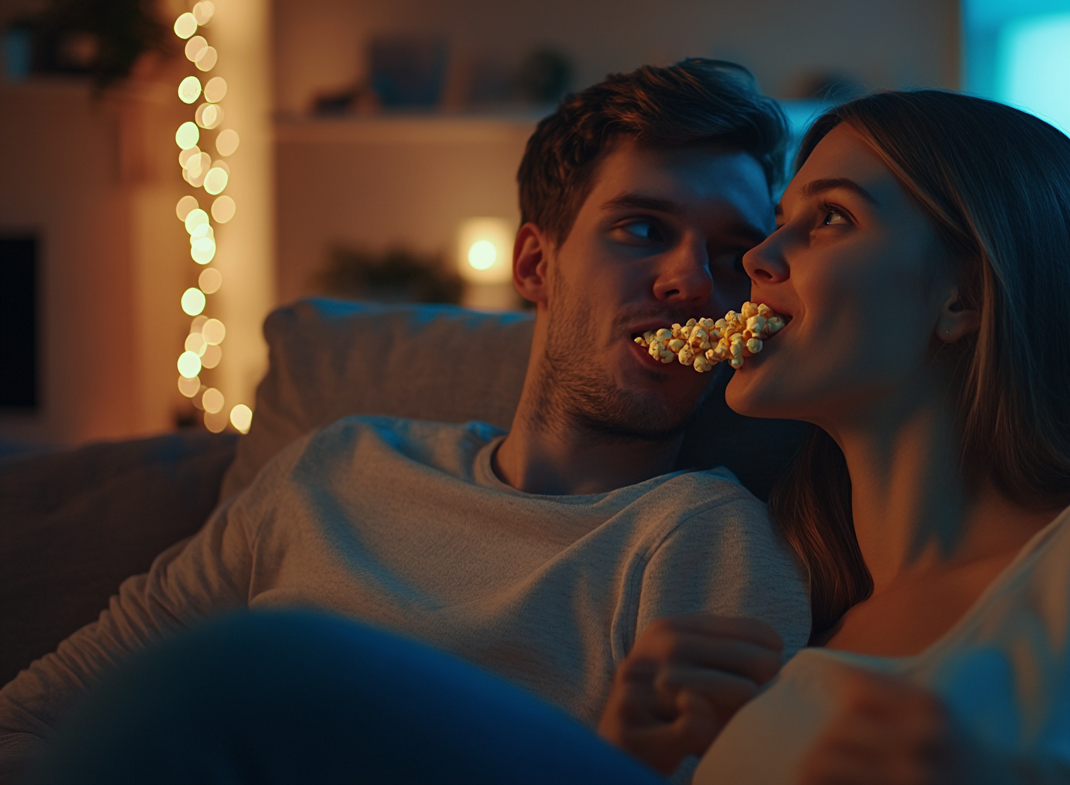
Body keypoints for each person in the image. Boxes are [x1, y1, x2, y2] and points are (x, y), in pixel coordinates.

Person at [23, 89, 1070, 785]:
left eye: (809, 225)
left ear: (966, 293)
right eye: (772, 230)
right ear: (533, 261)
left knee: (247, 672)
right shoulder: (808, 629)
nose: (737, 274)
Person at [0, 59, 811, 784]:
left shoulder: (705, 539)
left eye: (730, 254)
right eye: (643, 230)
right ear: (536, 264)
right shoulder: (336, 469)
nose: (693, 283)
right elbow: (35, 719)